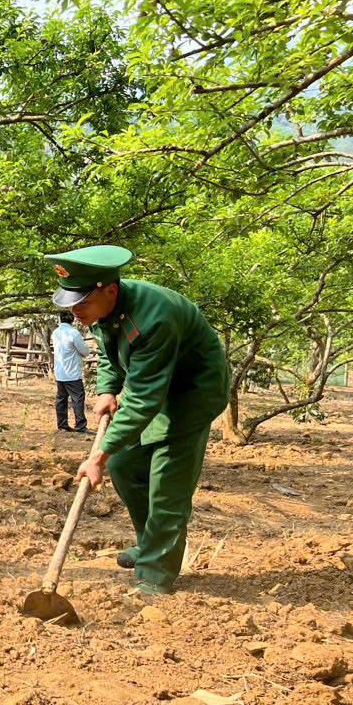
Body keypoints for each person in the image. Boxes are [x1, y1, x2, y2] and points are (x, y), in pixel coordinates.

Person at [48, 244, 228, 595]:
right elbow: (111, 355)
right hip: (156, 387)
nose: (74, 310)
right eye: (70, 303)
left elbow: (143, 399)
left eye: (81, 302)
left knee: (166, 483)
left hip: (191, 395)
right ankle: (150, 544)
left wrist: (97, 457)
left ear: (109, 290)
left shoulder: (154, 318)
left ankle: (156, 572)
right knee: (125, 465)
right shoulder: (102, 311)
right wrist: (106, 389)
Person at [51, 312, 90, 433]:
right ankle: (80, 425)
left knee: (61, 399)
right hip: (72, 373)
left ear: (60, 319)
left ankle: (62, 425)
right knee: (78, 398)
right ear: (72, 320)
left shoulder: (55, 333)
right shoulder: (73, 333)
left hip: (60, 372)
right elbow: (85, 351)